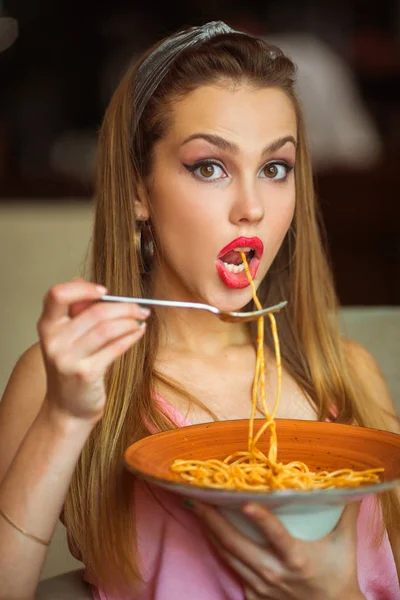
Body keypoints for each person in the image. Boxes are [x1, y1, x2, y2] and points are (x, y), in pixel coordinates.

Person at [0, 21, 399, 600]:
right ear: (139, 189)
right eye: (210, 166)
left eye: (275, 168)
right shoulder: (61, 379)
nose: (252, 208)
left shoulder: (348, 372)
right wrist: (64, 419)